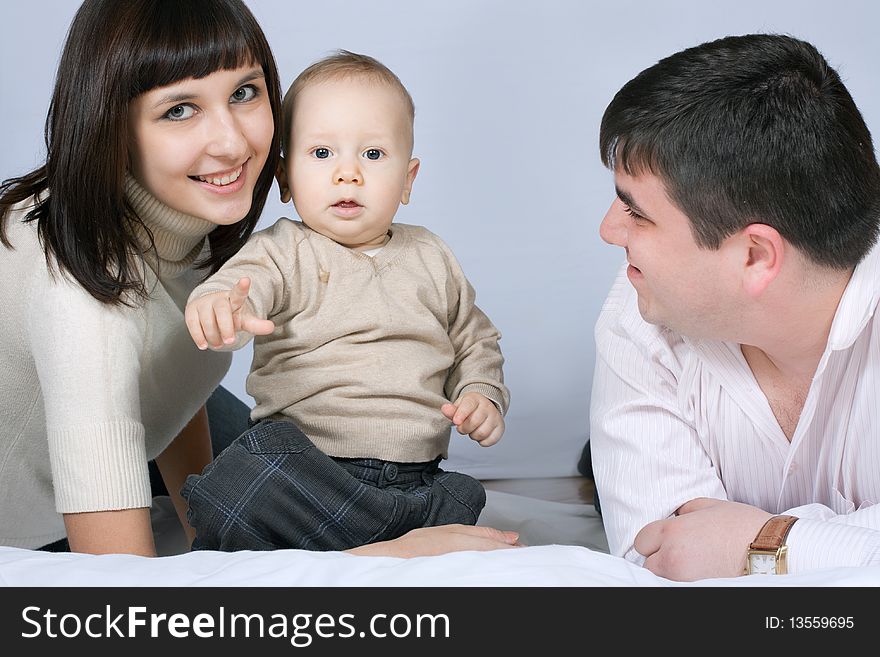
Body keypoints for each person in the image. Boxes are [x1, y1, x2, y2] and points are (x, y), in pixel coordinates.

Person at [0, 0, 519, 559]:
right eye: (179, 109)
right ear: (110, 125)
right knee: (261, 472)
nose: (232, 142)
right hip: (25, 516)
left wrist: (205, 542)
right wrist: (378, 561)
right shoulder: (79, 305)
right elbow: (125, 596)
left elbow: (172, 378)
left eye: (244, 92)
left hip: (150, 422)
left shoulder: (188, 215)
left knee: (282, 464)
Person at [181, 51, 510, 551]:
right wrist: (223, 305)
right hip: (308, 466)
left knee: (463, 497)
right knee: (241, 476)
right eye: (321, 154)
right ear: (286, 180)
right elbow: (245, 283)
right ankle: (377, 545)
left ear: (408, 180)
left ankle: (370, 534)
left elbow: (474, 340)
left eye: (373, 155)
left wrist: (482, 393)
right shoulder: (283, 249)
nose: (348, 174)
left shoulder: (432, 256)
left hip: (412, 476)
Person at [590, 33, 880, 580]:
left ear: (754, 255)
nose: (608, 230)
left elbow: (715, 561)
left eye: (639, 214)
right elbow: (665, 561)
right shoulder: (640, 311)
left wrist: (766, 542)